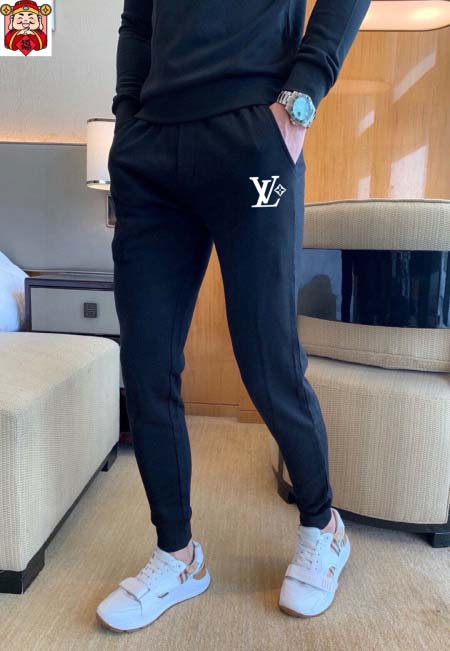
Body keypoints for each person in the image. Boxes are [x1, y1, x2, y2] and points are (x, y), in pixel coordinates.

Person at [96, 0, 371, 632]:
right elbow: (138, 21)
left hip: (252, 130)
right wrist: (125, 119)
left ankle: (323, 525)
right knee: (146, 364)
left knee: (267, 361)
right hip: (150, 149)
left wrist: (300, 99)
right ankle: (178, 555)